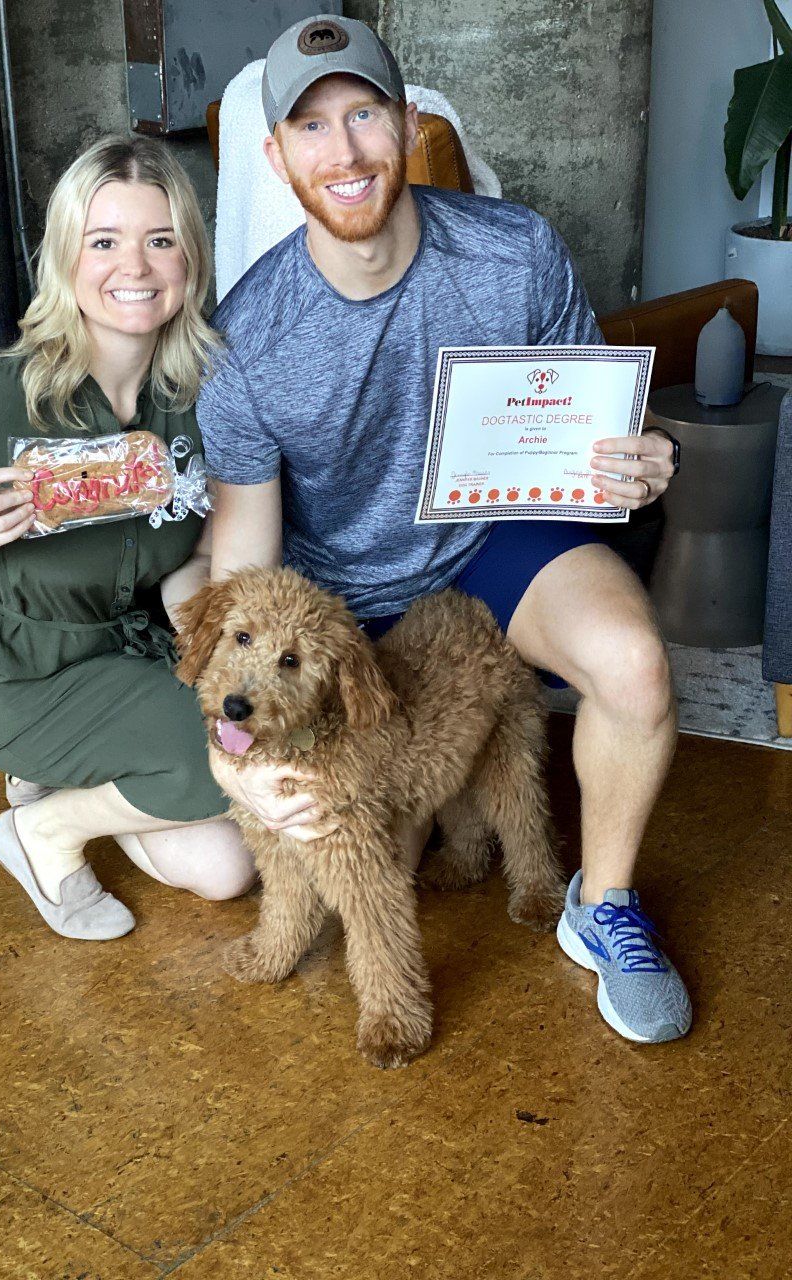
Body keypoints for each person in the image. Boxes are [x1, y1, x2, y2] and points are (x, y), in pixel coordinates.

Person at [196, 15, 692, 1043]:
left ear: (407, 121)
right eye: (311, 127)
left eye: (364, 115)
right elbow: (243, 554)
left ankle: (604, 908)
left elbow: (593, 426)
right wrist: (227, 745)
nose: (345, 152)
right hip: (343, 601)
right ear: (276, 157)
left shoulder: (515, 252)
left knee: (635, 663)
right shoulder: (246, 339)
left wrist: (642, 457)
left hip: (490, 541)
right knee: (362, 851)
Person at [0, 136, 262, 940]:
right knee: (222, 760)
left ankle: (70, 790)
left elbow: (191, 556)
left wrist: (204, 649)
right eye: (105, 241)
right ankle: (44, 832)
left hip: (132, 654)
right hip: (15, 672)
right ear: (65, 259)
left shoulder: (202, 399)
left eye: (161, 240)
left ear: (190, 257)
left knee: (226, 869)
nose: (136, 266)